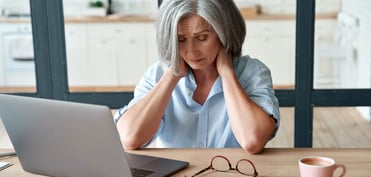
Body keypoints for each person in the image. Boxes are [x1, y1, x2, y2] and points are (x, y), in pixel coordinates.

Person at [114, 0, 280, 154]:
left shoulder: (252, 72)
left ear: (224, 34)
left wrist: (227, 73)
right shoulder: (157, 74)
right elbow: (130, 138)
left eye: (202, 38)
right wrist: (171, 76)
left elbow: (253, 141)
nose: (191, 51)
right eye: (180, 40)